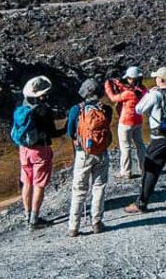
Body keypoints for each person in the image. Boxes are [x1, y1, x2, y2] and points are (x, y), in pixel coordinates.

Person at [124, 66, 166, 214]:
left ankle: (141, 203)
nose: (154, 79)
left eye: (156, 77)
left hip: (159, 138)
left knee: (151, 169)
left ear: (160, 80)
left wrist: (150, 93)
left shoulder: (154, 95)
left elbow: (139, 109)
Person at [10, 75, 65, 230]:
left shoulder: (22, 106)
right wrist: (66, 128)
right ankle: (35, 219)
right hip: (40, 150)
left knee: (27, 182)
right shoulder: (43, 111)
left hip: (24, 149)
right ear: (42, 94)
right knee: (39, 184)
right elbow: (53, 133)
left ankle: (27, 215)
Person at [66, 78, 114, 237]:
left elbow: (70, 131)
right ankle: (97, 222)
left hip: (83, 153)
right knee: (99, 186)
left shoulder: (76, 110)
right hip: (101, 152)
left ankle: (74, 226)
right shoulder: (106, 109)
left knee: (79, 189)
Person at [104, 66, 147, 180]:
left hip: (126, 123)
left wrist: (108, 86)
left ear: (131, 79)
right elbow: (129, 90)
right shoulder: (143, 90)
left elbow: (113, 98)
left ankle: (126, 172)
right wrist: (119, 84)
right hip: (138, 121)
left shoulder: (128, 93)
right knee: (140, 145)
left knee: (126, 147)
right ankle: (144, 169)